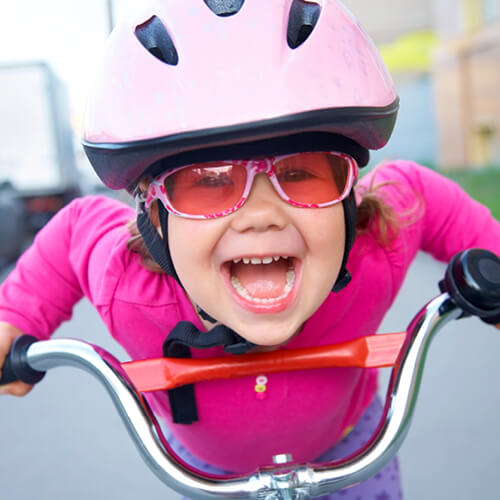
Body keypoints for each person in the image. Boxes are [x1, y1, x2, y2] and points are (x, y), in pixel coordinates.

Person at [1, 1, 499, 498]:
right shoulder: (127, 283)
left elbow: (419, 193)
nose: (261, 214)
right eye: (208, 182)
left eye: (300, 172)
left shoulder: (374, 250)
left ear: (349, 202)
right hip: (209, 476)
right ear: (155, 217)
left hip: (351, 452)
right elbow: (74, 231)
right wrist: (14, 319)